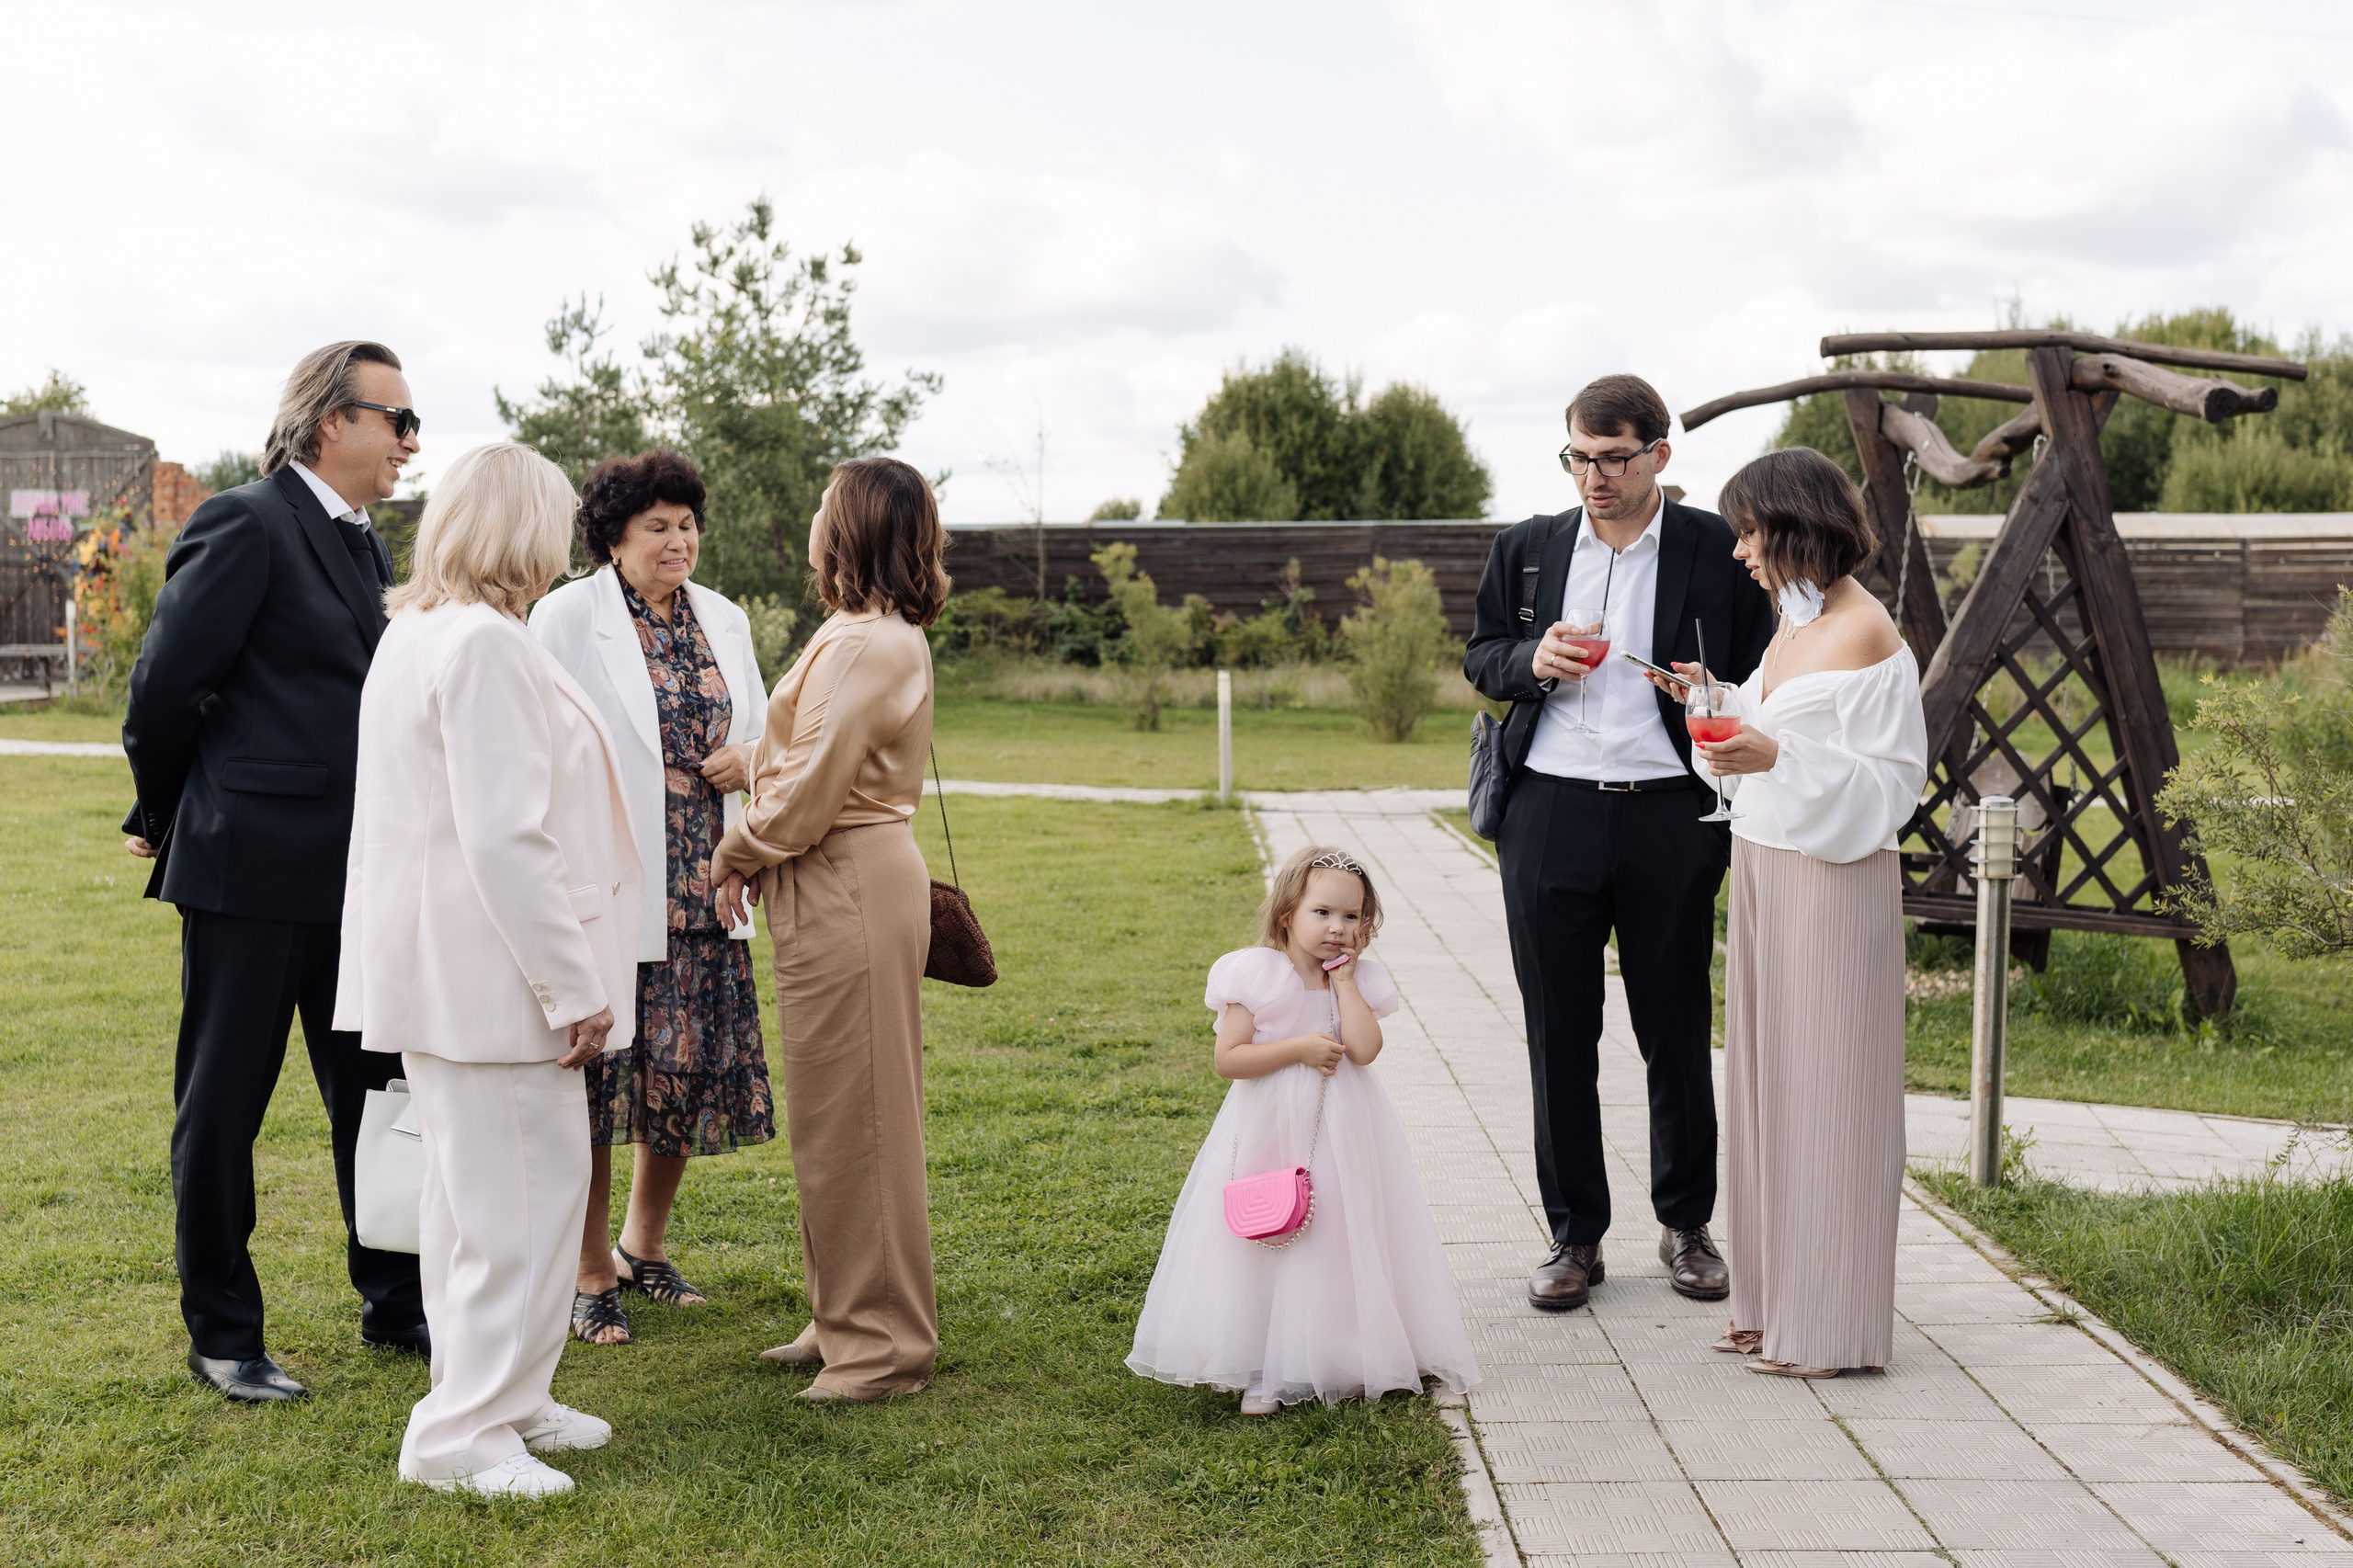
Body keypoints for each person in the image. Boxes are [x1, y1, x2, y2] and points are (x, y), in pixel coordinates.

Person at [335, 440, 643, 1497]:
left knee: (484, 1203)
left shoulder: (422, 631)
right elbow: (506, 838)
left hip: (449, 970)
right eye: (553, 519)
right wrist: (576, 984)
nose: (564, 539)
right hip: (494, 977)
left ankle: (510, 1396)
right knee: (515, 1203)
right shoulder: (480, 645)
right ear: (522, 527)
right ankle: (462, 1433)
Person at [121, 341, 427, 1403]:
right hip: (249, 869)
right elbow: (165, 687)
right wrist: (165, 811)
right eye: (398, 417)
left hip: (358, 875)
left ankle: (399, 1301)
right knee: (224, 1105)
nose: (409, 440)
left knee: (375, 1091)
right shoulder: (246, 521)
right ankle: (223, 1331)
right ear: (330, 420)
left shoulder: (363, 545)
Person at [1463, 373, 1773, 1312]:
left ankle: (1686, 1226)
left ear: (1657, 457)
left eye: (1611, 458)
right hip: (1548, 813)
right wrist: (1531, 661)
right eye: (1578, 457)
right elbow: (1481, 656)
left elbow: (1767, 666)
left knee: (1673, 1026)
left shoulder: (1713, 548)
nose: (1592, 477)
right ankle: (1573, 1236)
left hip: (1668, 814)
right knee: (1558, 1031)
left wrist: (1712, 689)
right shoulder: (1526, 549)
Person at [1674, 447, 1926, 1378]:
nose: (1739, 551)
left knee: (1828, 1087)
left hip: (1831, 877)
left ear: (1791, 525)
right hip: (1766, 867)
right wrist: (1711, 701)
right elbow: (1776, 725)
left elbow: (1890, 782)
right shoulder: (1793, 622)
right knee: (1770, 1082)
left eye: (1747, 531)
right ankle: (1772, 1300)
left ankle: (1827, 1321)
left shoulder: (1865, 631)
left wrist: (1771, 754)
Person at [711, 456, 945, 1403]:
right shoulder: (855, 634)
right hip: (834, 878)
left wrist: (740, 847)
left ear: (848, 525)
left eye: (821, 503)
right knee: (832, 1111)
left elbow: (813, 783)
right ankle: (842, 1310)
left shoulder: (866, 643)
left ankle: (882, 1345)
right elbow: (805, 745)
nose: (810, 515)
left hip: (845, 875)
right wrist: (751, 759)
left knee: (863, 1114)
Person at [529, 451, 774, 1348]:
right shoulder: (566, 616)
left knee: (681, 1073)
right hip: (610, 879)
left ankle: (647, 1243)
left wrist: (751, 761)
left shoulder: (727, 619)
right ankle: (591, 1270)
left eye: (687, 523)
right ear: (615, 538)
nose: (680, 541)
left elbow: (763, 725)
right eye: (658, 527)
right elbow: (540, 742)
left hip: (706, 881)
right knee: (604, 1082)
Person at [1126, 846, 1479, 1414]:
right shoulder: (1259, 973)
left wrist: (1344, 983)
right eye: (1322, 913)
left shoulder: (1357, 978)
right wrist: (1298, 1049)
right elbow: (1229, 1059)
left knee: (1337, 1230)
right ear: (1288, 913)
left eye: (1351, 917)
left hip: (1342, 1126)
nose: (1337, 928)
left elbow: (1364, 1050)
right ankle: (1264, 1363)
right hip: (1273, 1123)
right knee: (1271, 1231)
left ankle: (1341, 1353)